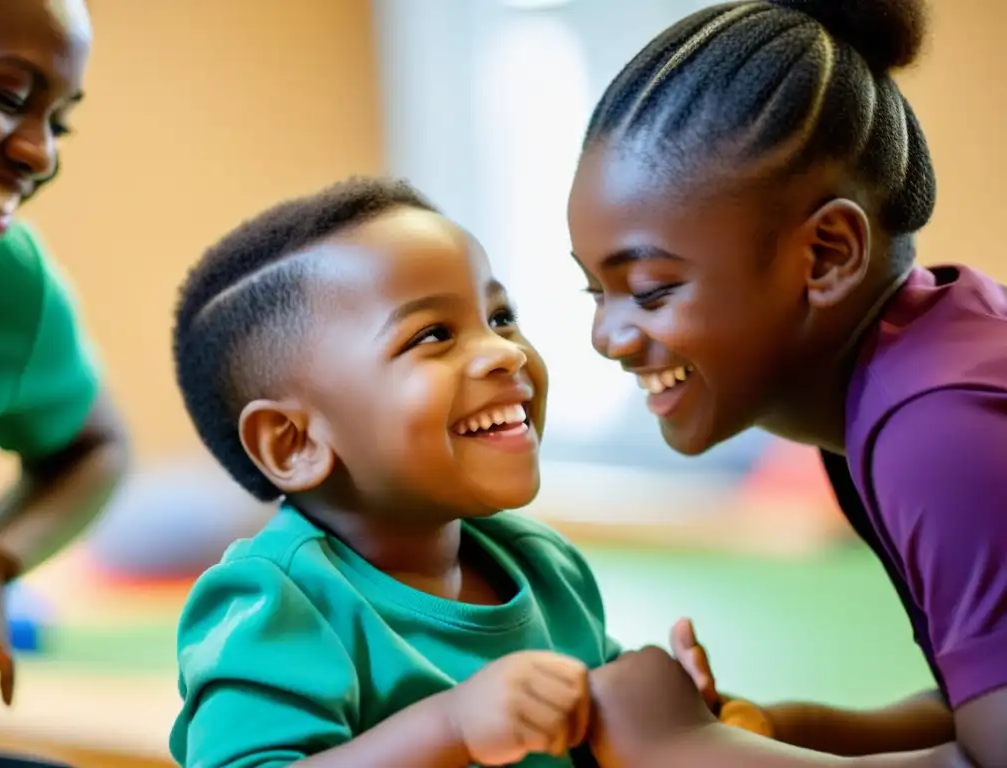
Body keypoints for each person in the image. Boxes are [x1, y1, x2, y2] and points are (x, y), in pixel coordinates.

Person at [566, 0, 1006, 765]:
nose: (607, 336)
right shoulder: (895, 377)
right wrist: (774, 729)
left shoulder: (937, 430)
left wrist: (691, 747)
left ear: (828, 255)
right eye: (593, 292)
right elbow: (976, 711)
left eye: (651, 288)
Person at [168, 176, 615, 768]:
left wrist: (668, 706)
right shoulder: (279, 602)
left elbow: (601, 731)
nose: (506, 351)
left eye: (501, 317)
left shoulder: (545, 566)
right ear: (294, 441)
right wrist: (451, 727)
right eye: (434, 334)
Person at [0, 0, 129, 707]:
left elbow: (93, 447)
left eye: (59, 120)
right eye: (7, 94)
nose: (40, 154)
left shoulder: (10, 288)